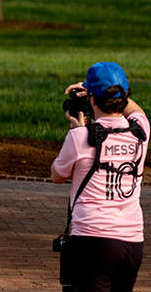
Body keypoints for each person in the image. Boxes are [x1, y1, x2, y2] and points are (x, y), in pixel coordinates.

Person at [52, 61, 147, 292]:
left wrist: (75, 131)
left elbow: (57, 175)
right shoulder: (141, 130)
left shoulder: (80, 137)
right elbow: (137, 111)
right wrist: (96, 88)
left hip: (92, 242)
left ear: (92, 100)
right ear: (125, 96)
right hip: (132, 243)